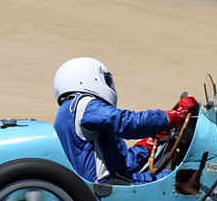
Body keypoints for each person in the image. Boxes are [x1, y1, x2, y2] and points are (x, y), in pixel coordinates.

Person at [52, 57, 197, 185]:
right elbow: (128, 123)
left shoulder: (70, 111)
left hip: (109, 183)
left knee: (179, 178)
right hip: (108, 186)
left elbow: (124, 164)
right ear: (91, 78)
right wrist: (173, 116)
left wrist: (151, 140)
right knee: (188, 179)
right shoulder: (84, 104)